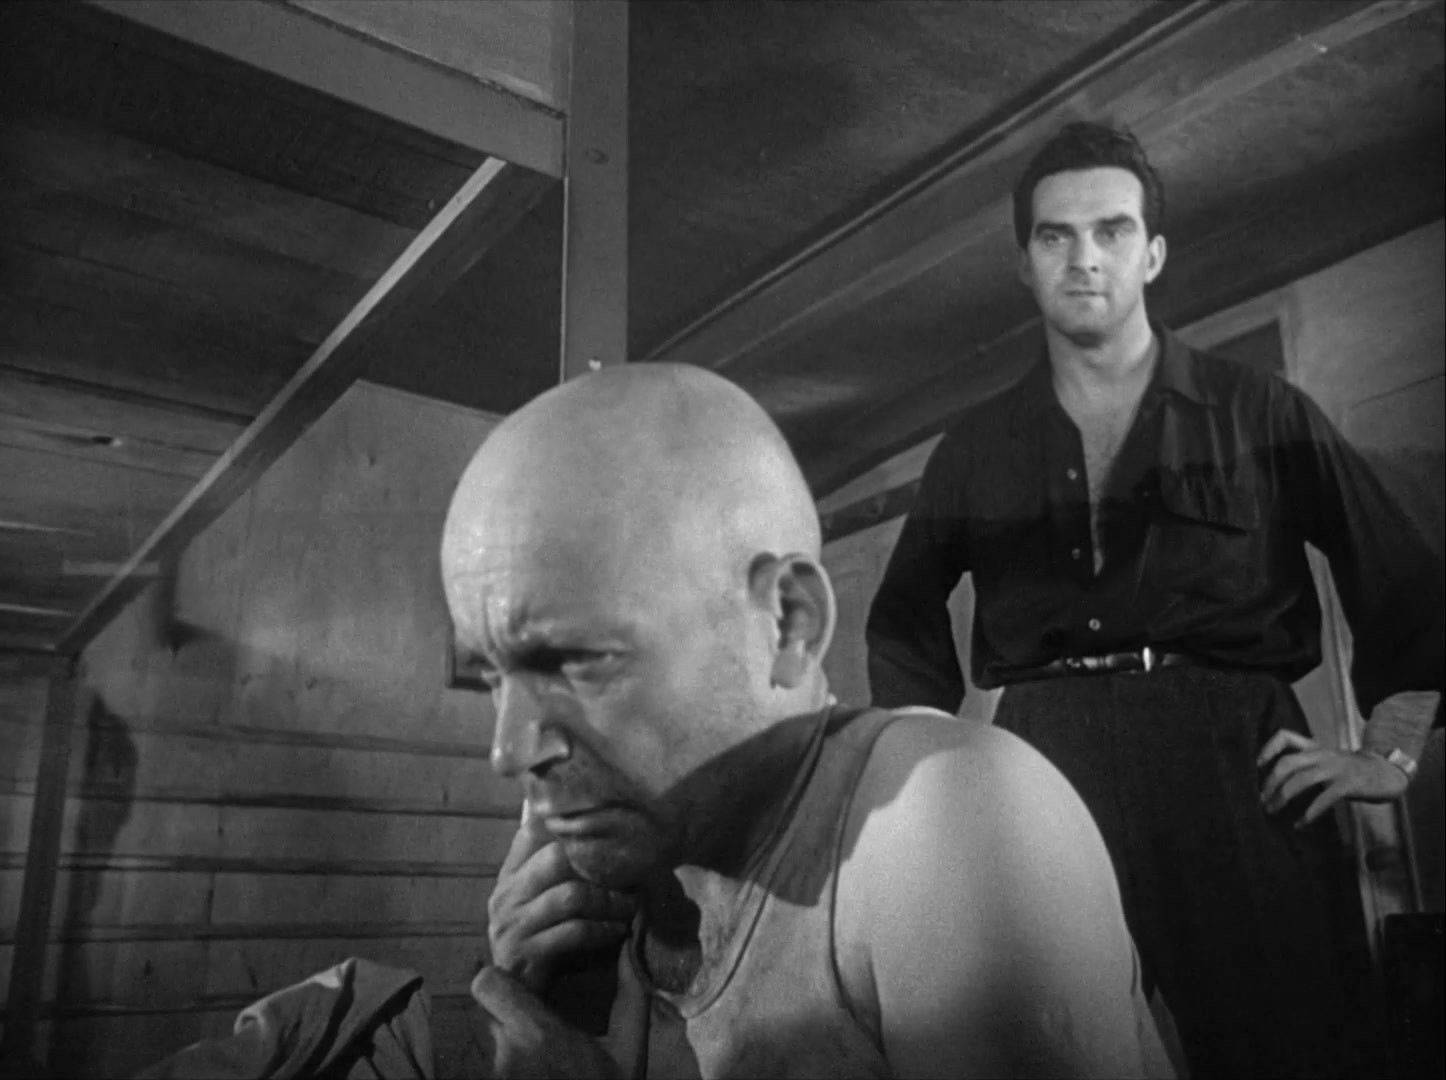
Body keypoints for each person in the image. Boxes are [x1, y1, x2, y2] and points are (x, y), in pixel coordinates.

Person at [866, 121, 1444, 1078]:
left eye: (1113, 229)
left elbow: (1402, 572)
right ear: (1023, 263)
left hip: (1238, 765)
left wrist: (1388, 752)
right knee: (1052, 1053)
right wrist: (936, 788)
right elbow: (900, 620)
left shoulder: (1259, 410)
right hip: (1043, 771)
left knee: (1296, 1045)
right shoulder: (975, 448)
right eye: (1055, 235)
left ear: (1154, 253)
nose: (1084, 257)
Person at [441, 363, 1173, 1078]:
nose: (509, 750)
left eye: (577, 661)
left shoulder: (947, 817)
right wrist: (530, 994)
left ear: (788, 625)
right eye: (493, 678)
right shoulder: (607, 890)